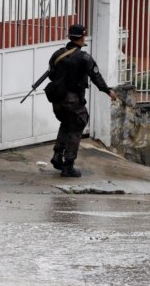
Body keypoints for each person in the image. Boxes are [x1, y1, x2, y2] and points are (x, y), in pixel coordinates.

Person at [47, 24, 117, 178]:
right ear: (81, 38)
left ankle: (57, 155)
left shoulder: (57, 54)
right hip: (72, 101)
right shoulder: (84, 58)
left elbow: (52, 75)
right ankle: (68, 165)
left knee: (66, 124)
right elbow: (96, 77)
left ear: (69, 37)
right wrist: (108, 91)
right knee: (77, 126)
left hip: (57, 101)